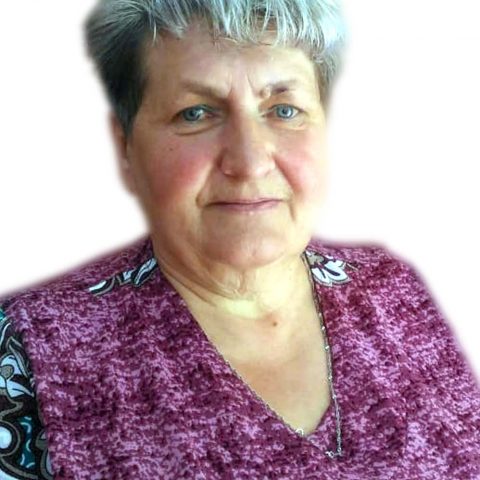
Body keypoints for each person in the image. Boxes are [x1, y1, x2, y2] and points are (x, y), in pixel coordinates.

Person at [0, 0, 479, 478]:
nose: (250, 162)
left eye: (284, 110)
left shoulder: (392, 289)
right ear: (126, 146)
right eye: (195, 113)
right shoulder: (28, 350)